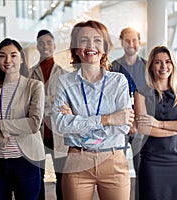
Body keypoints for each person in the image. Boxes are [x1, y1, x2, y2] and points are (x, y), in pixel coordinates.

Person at [53, 20, 135, 200]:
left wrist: (76, 120)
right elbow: (59, 124)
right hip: (77, 161)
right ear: (75, 47)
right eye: (83, 40)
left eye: (97, 40)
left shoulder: (119, 81)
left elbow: (123, 126)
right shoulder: (65, 82)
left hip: (113, 159)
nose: (91, 46)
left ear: (105, 47)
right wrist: (108, 119)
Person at [0, 38, 45, 200]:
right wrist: (2, 138)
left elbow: (33, 124)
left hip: (26, 161)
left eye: (13, 55)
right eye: (2, 56)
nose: (8, 60)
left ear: (21, 59)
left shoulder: (34, 86)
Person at [134, 45, 177, 200]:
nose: (164, 66)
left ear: (173, 65)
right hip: (151, 158)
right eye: (158, 62)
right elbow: (144, 128)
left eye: (168, 62)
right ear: (151, 66)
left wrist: (159, 124)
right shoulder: (141, 93)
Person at [29, 29, 69, 200]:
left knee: (62, 179)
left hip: (58, 134)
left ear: (54, 46)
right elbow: (27, 103)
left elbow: (66, 104)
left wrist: (43, 101)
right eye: (41, 43)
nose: (45, 46)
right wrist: (50, 100)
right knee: (37, 178)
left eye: (48, 42)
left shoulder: (64, 74)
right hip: (37, 133)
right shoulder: (29, 74)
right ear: (37, 46)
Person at [110, 27, 147, 200]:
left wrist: (136, 121)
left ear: (139, 42)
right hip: (119, 125)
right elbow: (109, 98)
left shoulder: (148, 66)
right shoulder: (113, 67)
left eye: (134, 40)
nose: (131, 44)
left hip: (141, 124)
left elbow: (152, 97)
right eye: (127, 40)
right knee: (117, 169)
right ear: (122, 42)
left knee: (143, 169)